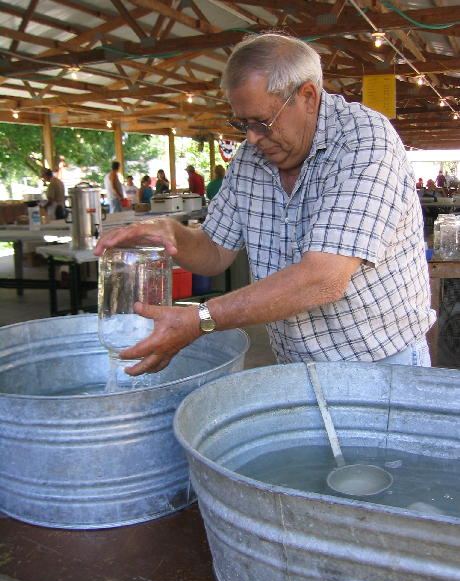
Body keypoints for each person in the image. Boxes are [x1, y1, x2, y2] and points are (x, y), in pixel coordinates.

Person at [95, 33, 435, 377]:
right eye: (242, 124)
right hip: (295, 364)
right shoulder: (251, 158)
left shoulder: (364, 141)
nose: (252, 138)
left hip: (382, 362)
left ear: (307, 97)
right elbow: (214, 251)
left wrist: (201, 319)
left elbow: (324, 279)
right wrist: (173, 235)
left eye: (262, 122)